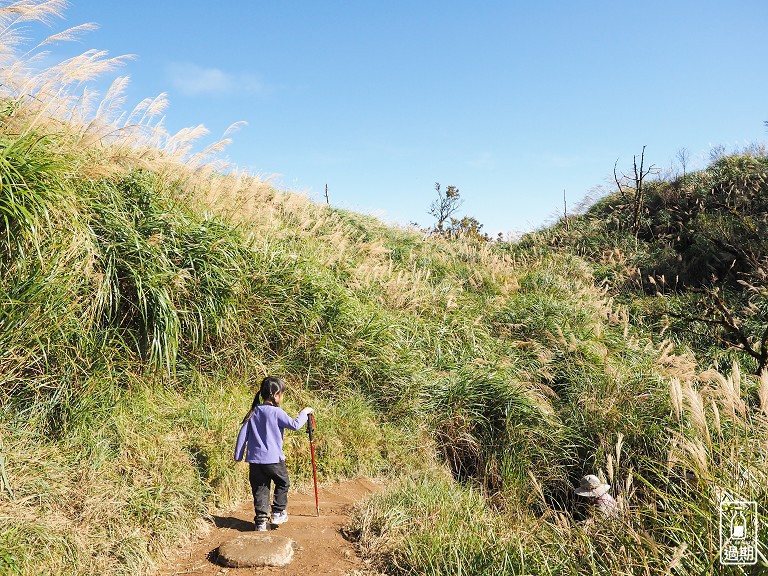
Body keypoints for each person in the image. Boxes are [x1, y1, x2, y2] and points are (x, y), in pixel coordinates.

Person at [234, 376, 315, 531]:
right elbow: (295, 425)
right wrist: (304, 412)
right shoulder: (277, 412)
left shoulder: (253, 412)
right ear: (276, 395)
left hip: (255, 461)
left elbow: (242, 434)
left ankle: (261, 522)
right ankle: (278, 512)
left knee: (260, 489)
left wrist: (238, 455)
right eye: (282, 394)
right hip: (274, 460)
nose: (282, 397)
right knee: (283, 482)